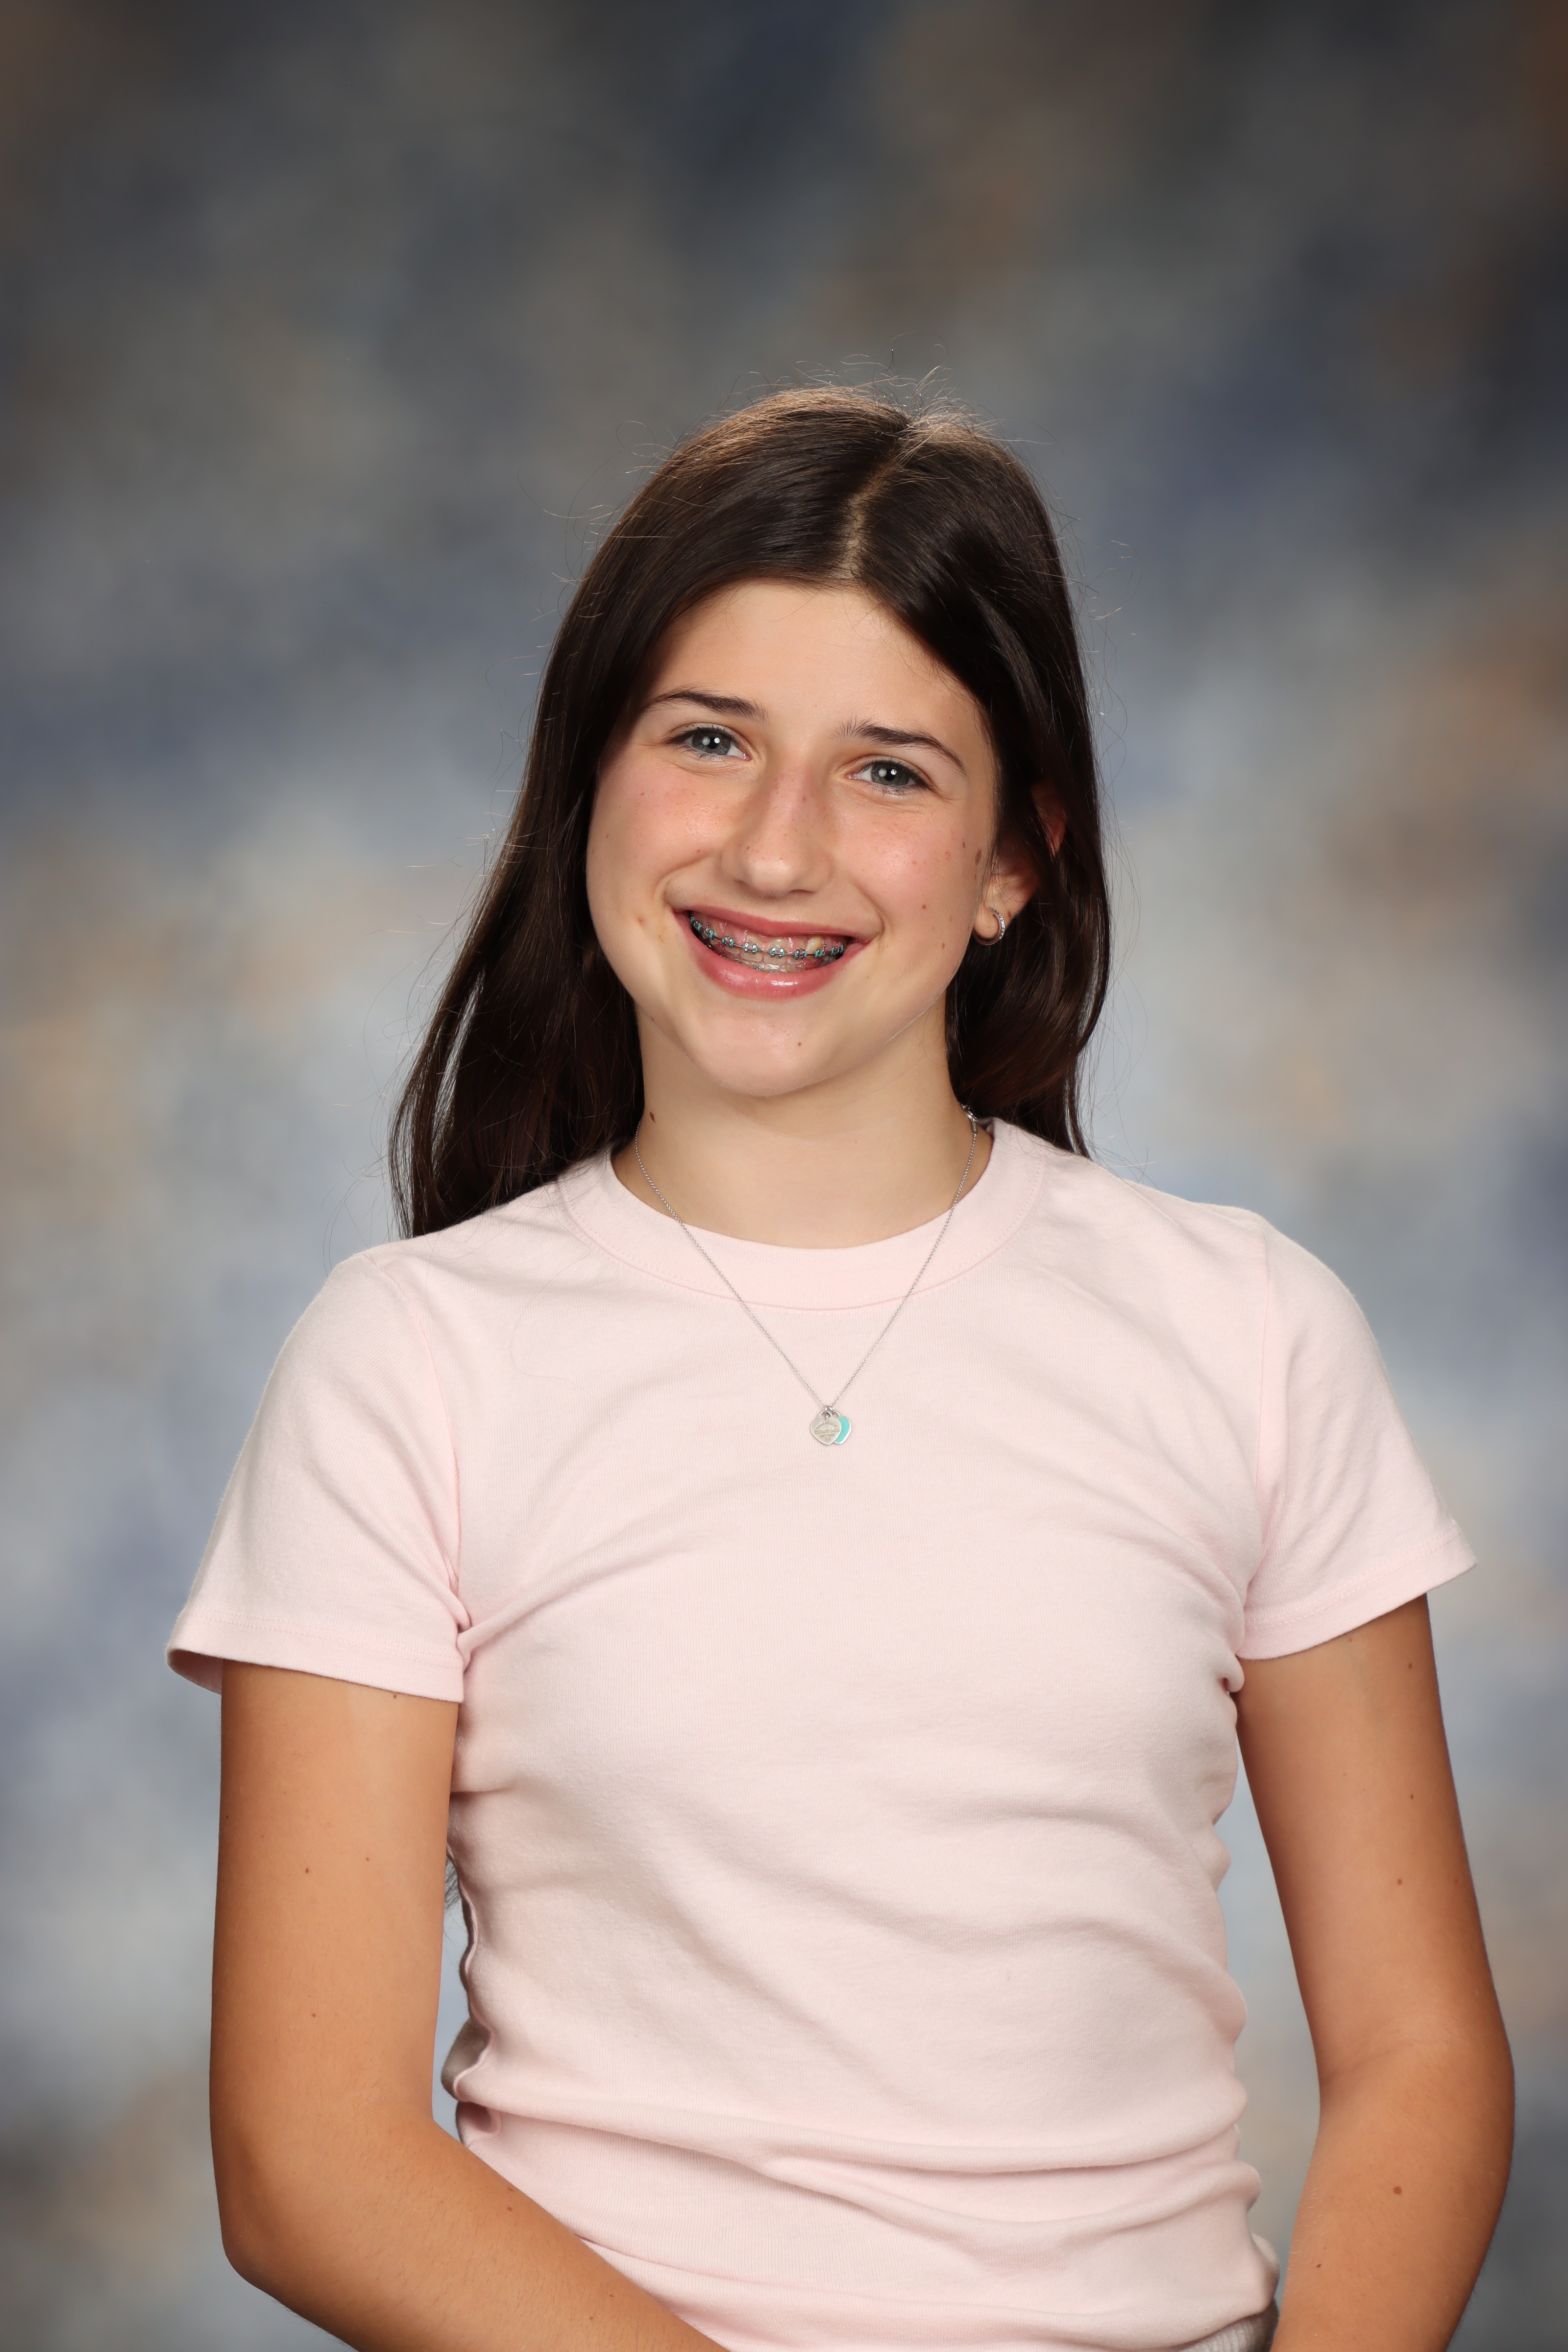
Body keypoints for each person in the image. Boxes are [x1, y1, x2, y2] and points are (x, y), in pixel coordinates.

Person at [168, 388, 1512, 2352]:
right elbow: (308, 2158)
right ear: (589, 784)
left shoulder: (1245, 1330)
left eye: (887, 770)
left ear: (1015, 857)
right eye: (707, 739)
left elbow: (1417, 2055)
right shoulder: (409, 1365)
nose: (774, 848)